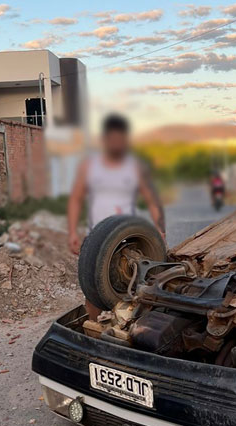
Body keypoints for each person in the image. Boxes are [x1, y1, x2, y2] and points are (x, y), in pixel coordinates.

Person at [67, 114, 165, 319]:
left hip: (128, 240)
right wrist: (72, 232)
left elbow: (151, 198)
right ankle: (92, 331)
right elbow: (76, 198)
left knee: (133, 291)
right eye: (112, 139)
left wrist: (158, 228)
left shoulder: (134, 166)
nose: (116, 143)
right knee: (93, 293)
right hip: (97, 236)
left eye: (120, 139)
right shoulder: (90, 166)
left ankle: (127, 333)